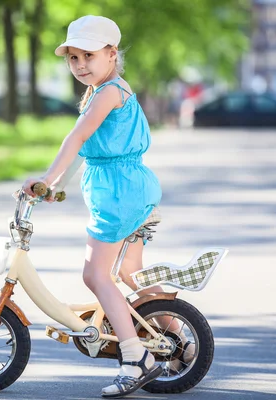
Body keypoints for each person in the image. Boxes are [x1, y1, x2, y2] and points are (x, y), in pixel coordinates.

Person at [22, 15, 191, 398]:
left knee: (95, 275)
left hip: (121, 197)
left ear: (112, 54)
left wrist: (46, 179)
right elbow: (87, 151)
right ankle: (181, 340)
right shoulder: (105, 91)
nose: (80, 65)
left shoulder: (108, 93)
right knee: (131, 274)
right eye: (73, 58)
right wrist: (57, 187)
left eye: (89, 56)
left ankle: (136, 358)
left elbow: (77, 136)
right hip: (130, 191)